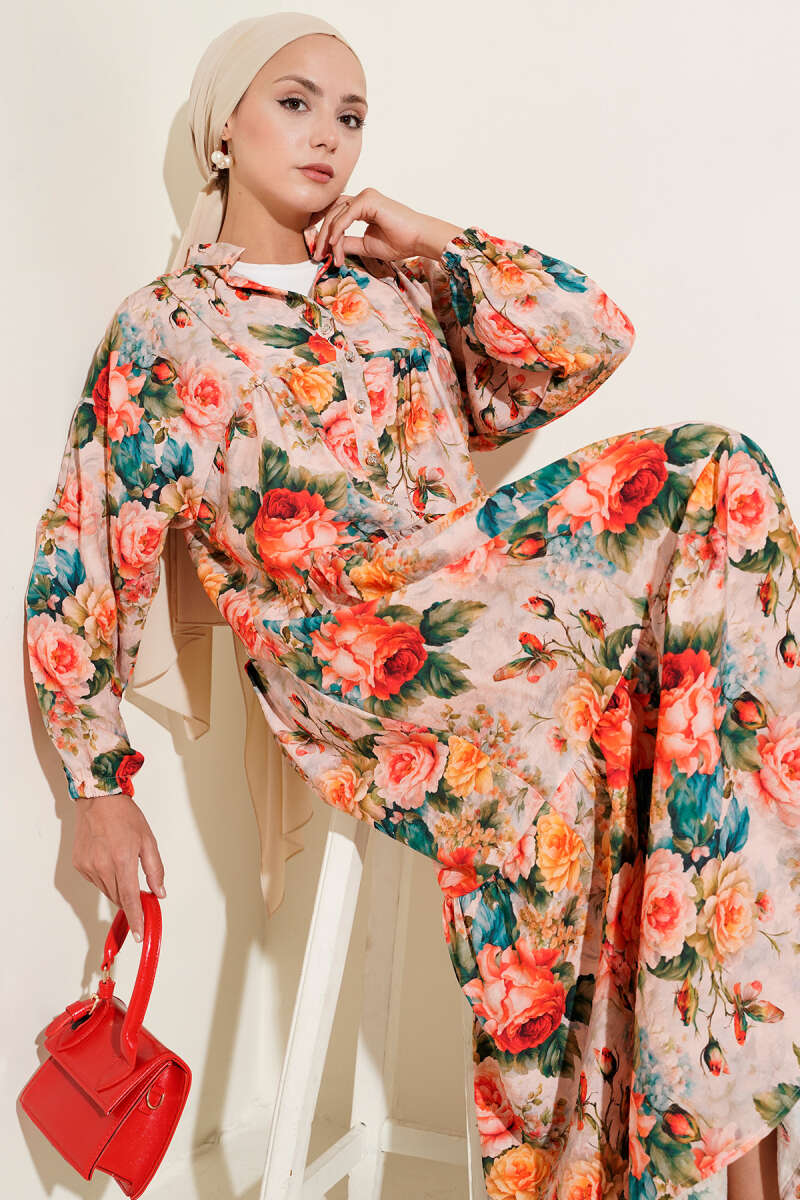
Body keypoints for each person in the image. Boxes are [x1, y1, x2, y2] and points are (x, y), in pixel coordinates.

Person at [22, 12, 800, 1200]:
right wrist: (96, 788)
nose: (327, 134)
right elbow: (83, 557)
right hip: (349, 654)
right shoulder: (166, 331)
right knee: (688, 526)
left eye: (350, 115)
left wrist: (428, 238)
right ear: (223, 128)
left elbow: (588, 339)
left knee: (714, 556)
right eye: (295, 102)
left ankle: (744, 1163)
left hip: (476, 601)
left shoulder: (390, 296)